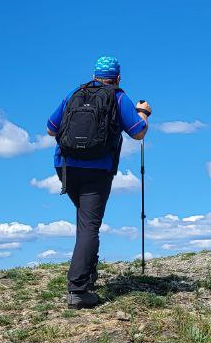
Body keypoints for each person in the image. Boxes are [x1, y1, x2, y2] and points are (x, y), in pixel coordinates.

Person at [46, 55, 150, 309]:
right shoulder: (117, 96)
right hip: (97, 168)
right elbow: (138, 132)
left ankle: (88, 274)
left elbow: (50, 128)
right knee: (89, 225)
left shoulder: (74, 93)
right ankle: (78, 289)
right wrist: (143, 113)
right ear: (117, 77)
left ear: (94, 75)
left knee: (85, 220)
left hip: (66, 166)